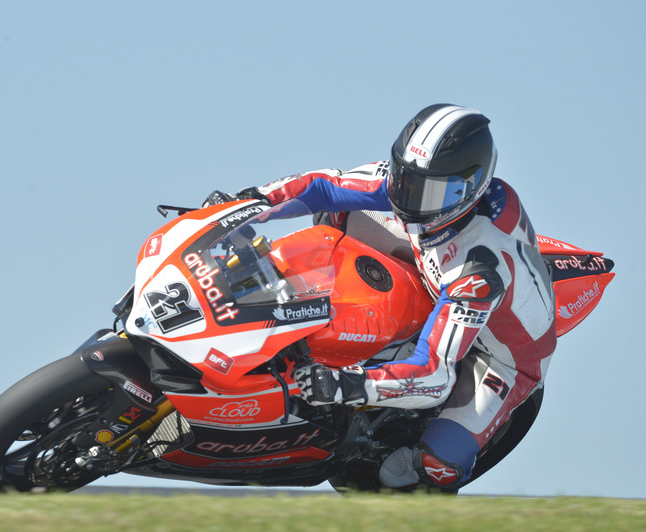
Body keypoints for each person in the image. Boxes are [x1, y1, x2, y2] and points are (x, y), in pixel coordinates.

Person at [206, 104, 557, 490]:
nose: (410, 199)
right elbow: (323, 185)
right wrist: (246, 206)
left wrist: (348, 386)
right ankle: (277, 303)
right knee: (333, 214)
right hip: (433, 269)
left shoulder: (479, 268)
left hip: (500, 358)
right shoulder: (417, 185)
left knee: (431, 469)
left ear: (469, 189)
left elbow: (434, 375)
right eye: (406, 180)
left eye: (430, 191)